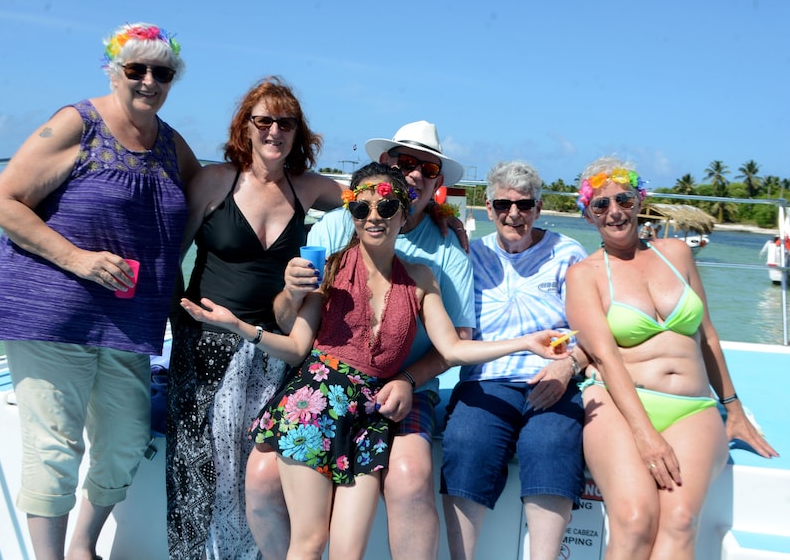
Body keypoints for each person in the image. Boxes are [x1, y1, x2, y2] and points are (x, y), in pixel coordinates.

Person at [182, 162, 569, 559]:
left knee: (348, 553)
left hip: (370, 419)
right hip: (314, 407)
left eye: (385, 209)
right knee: (310, 543)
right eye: (360, 209)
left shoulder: (421, 278)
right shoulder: (328, 269)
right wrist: (243, 326)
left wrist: (526, 343)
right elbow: (298, 345)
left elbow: (453, 350)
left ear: (404, 213)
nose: (373, 218)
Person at [0, 23, 199, 560]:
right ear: (113, 70)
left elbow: (206, 198)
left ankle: (82, 548)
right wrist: (77, 259)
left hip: (128, 322)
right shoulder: (77, 123)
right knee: (54, 446)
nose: (148, 80)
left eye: (161, 72)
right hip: (51, 313)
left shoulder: (171, 143)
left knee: (125, 442)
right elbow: (1, 201)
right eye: (135, 68)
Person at [247, 120, 475, 560]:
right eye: (405, 161)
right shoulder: (335, 228)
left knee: (410, 475)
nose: (414, 173)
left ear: (436, 184)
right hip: (328, 385)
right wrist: (291, 293)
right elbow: (287, 322)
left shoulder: (448, 249)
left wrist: (408, 378)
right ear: (385, 164)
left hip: (409, 387)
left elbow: (458, 341)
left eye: (427, 169)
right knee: (260, 476)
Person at [165, 76, 346, 559]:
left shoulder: (307, 188)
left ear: (298, 133)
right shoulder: (214, 180)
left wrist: (437, 213)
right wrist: (182, 323)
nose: (274, 131)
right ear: (244, 127)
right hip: (204, 346)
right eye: (263, 120)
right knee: (197, 474)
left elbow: (372, 205)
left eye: (285, 123)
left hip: (271, 351)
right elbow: (169, 259)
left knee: (254, 476)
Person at [565, 157, 778, 559]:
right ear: (589, 215)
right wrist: (645, 435)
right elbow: (607, 359)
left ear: (638, 200)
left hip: (692, 407)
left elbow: (708, 336)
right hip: (619, 406)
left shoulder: (677, 254)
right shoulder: (584, 275)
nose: (615, 211)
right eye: (601, 205)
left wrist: (733, 409)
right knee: (632, 519)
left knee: (680, 519)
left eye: (623, 199)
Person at [440, 161, 590, 560]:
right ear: (488, 209)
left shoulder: (568, 253)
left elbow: (592, 332)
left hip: (553, 376)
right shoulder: (470, 255)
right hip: (486, 378)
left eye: (524, 205)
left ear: (539, 208)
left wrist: (567, 365)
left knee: (552, 442)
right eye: (503, 204)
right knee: (466, 441)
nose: (514, 214)